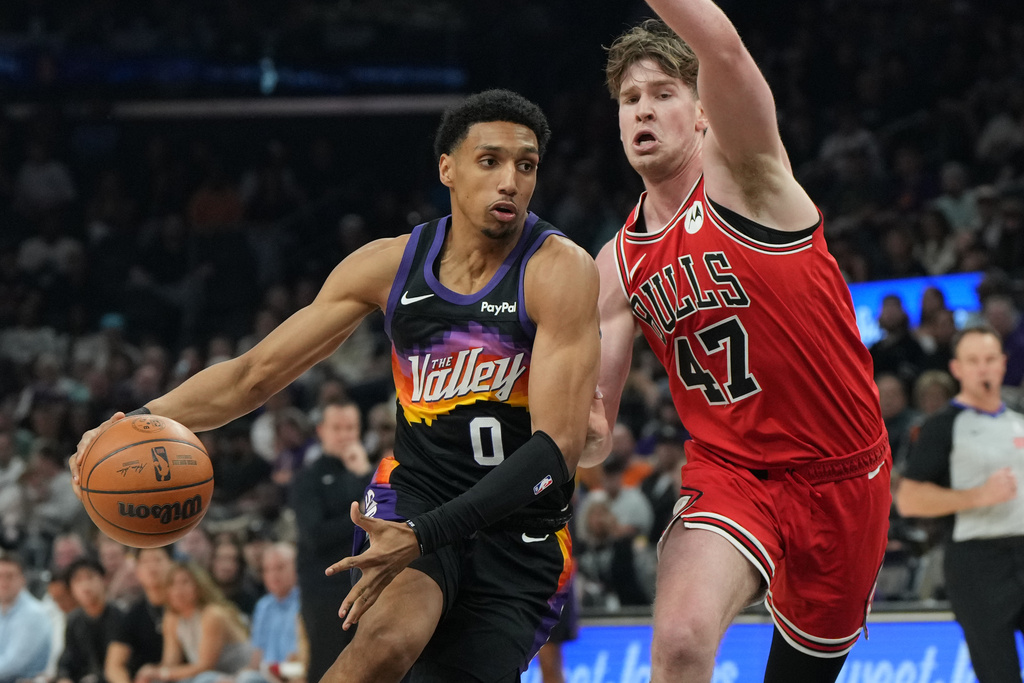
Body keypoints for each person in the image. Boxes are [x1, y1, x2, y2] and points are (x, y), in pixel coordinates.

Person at [72, 89, 600, 683]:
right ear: (447, 169)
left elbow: (554, 451)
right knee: (387, 643)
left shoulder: (559, 269)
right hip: (417, 496)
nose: (510, 181)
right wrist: (135, 421)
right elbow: (252, 374)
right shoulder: (389, 265)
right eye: (490, 161)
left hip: (518, 526)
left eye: (526, 165)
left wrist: (426, 534)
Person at [592, 5, 891, 680]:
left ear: (702, 111)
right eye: (630, 99)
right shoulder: (614, 266)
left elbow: (721, 48)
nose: (643, 110)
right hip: (731, 472)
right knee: (681, 639)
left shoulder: (748, 175)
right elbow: (595, 432)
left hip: (844, 474)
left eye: (663, 93)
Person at [895, 325, 1024, 683]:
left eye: (990, 359)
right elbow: (908, 499)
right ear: (957, 368)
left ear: (1003, 363)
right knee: (999, 674)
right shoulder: (942, 426)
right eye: (973, 360)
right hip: (977, 563)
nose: (983, 368)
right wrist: (978, 496)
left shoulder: (1018, 419)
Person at [289, 400, 371, 683]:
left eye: (351, 428)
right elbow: (315, 536)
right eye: (337, 428)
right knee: (327, 666)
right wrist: (361, 517)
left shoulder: (371, 475)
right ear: (321, 430)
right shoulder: (308, 479)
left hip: (368, 585)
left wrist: (364, 474)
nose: (345, 435)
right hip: (324, 588)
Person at [134, 562, 257, 683]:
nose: (178, 590)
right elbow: (170, 664)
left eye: (185, 582)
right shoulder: (172, 618)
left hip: (241, 675)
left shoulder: (212, 615)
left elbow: (205, 666)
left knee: (203, 679)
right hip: (210, 676)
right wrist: (152, 672)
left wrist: (161, 673)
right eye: (172, 584)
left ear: (199, 586)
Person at [104, 546, 173, 683]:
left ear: (172, 564)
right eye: (145, 561)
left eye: (158, 560)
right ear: (137, 570)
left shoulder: (185, 607)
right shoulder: (133, 614)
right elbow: (113, 666)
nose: (152, 567)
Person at [57, 557, 125, 683]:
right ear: (71, 589)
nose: (85, 585)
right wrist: (64, 678)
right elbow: (66, 661)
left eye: (90, 577)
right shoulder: (73, 620)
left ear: (104, 580)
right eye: (78, 580)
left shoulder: (121, 617)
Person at [0, 550, 52, 683]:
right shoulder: (3, 608)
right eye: (0, 576)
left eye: (9, 576)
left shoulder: (33, 614)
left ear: (22, 579)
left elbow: (13, 665)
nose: (3, 582)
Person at [249, 543, 300, 675]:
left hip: (294, 673)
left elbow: (300, 658)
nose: (273, 575)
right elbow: (257, 655)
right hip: (265, 674)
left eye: (280, 568)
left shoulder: (304, 604)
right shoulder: (263, 606)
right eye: (267, 570)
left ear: (296, 568)